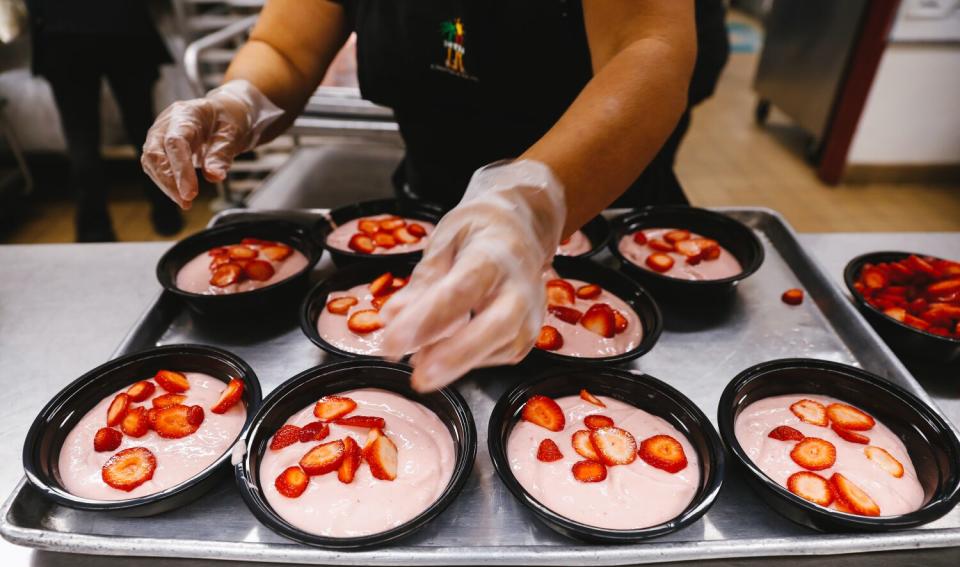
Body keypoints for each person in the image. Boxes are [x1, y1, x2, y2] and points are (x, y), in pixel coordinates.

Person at [142, 0, 720, 390]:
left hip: (600, 216)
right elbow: (286, 49)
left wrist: (534, 200)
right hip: (425, 211)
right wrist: (241, 100)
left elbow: (647, 50)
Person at [26, 0, 182, 242]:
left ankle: (94, 230)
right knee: (143, 128)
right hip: (122, 23)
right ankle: (167, 213)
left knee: (81, 138)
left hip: (61, 30)